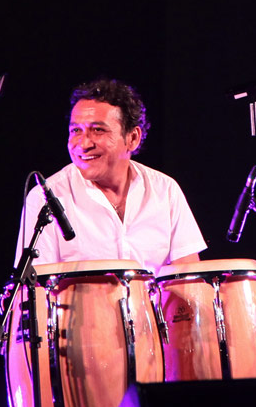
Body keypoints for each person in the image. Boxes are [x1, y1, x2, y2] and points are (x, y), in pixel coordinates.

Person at [14, 78, 206, 272]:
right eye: (76, 130)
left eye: (98, 130)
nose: (84, 143)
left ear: (133, 138)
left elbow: (189, 281)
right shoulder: (43, 199)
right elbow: (32, 292)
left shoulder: (165, 190)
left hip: (152, 303)